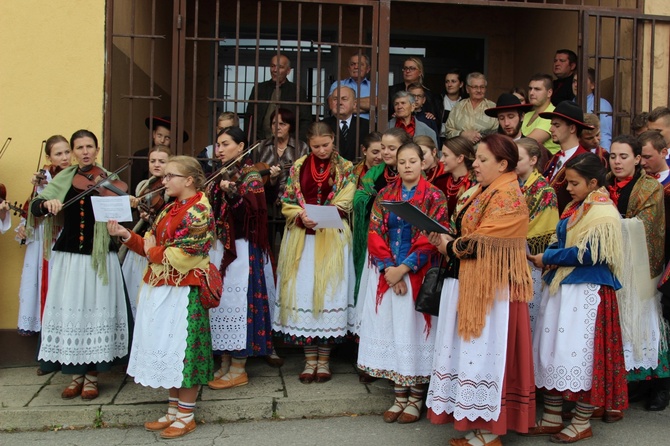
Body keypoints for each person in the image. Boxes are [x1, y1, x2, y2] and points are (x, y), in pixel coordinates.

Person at [426, 134, 535, 446]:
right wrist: (445, 239)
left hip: (494, 293)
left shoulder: (509, 196)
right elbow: (471, 232)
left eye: (482, 160)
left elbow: (484, 242)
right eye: (475, 158)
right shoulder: (487, 190)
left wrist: (451, 246)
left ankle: (489, 432)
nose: (474, 164)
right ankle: (477, 426)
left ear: (503, 164)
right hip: (476, 284)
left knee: (487, 356)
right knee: (472, 356)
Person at [107, 156, 214, 439]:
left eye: (170, 176)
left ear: (189, 180)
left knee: (184, 352)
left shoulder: (200, 211)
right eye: (164, 176)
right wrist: (126, 235)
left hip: (184, 292)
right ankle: (173, 411)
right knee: (168, 352)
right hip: (163, 287)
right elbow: (151, 244)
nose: (164, 181)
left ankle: (186, 414)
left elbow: (186, 255)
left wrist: (156, 251)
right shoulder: (170, 208)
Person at [528, 152, 627, 443]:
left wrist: (549, 256)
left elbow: (592, 253)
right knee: (553, 351)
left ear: (593, 182)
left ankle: (582, 420)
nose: (568, 188)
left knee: (583, 357)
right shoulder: (575, 207)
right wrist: (552, 251)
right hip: (562, 290)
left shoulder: (603, 212)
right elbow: (561, 238)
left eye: (574, 183)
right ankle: (552, 416)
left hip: (587, 292)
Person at [30, 129, 129, 400]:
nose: (85, 151)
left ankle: (92, 378)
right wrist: (47, 203)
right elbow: (36, 206)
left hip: (100, 257)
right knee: (72, 313)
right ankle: (75, 376)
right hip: (69, 256)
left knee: (96, 312)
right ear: (73, 152)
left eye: (89, 146)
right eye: (79, 147)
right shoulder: (63, 178)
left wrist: (122, 210)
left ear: (97, 150)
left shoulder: (111, 179)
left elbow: (122, 220)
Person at [357, 142, 447, 424]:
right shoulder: (385, 193)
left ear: (423, 164)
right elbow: (374, 231)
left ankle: (416, 399)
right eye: (402, 162)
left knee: (415, 331)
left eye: (413, 161)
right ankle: (398, 397)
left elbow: (433, 237)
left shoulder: (435, 195)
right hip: (387, 275)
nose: (407, 166)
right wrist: (388, 269)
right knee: (394, 331)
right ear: (395, 165)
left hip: (418, 274)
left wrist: (404, 268)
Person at [273, 122, 355, 384]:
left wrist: (326, 213)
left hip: (332, 239)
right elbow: (287, 200)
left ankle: (324, 360)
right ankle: (309, 361)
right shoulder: (298, 166)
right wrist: (300, 216)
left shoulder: (346, 167)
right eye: (316, 146)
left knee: (328, 293)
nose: (321, 150)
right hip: (302, 240)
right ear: (309, 143)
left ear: (333, 140)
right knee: (305, 295)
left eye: (326, 145)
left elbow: (347, 198)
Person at [207, 127, 275, 390]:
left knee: (240, 304)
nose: (220, 149)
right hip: (221, 247)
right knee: (223, 304)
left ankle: (238, 368)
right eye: (218, 144)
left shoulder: (251, 175)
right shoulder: (219, 173)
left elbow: (253, 214)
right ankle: (224, 364)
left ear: (241, 145)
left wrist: (233, 193)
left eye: (225, 144)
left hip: (243, 249)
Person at [607, 134, 668, 417]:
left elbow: (646, 225)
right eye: (613, 156)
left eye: (623, 156)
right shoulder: (604, 185)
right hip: (612, 266)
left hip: (642, 270)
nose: (617, 162)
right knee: (620, 326)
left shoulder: (649, 187)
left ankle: (658, 385)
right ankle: (630, 383)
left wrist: (606, 226)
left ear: (637, 159)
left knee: (647, 324)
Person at [16, 135, 71, 336]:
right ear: (49, 157)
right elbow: (29, 207)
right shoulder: (43, 178)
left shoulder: (75, 176)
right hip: (42, 237)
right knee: (41, 282)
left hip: (63, 235)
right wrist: (24, 226)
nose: (65, 157)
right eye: (58, 154)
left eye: (67, 152)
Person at [353, 128, 412, 305]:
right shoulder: (375, 172)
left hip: (403, 242)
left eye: (391, 148)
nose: (385, 152)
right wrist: (377, 202)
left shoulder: (412, 173)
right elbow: (359, 197)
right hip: (376, 240)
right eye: (383, 147)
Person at [122, 145, 172, 318]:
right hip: (142, 241)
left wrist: (151, 217)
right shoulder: (143, 186)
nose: (156, 165)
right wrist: (140, 211)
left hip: (159, 245)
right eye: (153, 161)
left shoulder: (171, 188)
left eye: (162, 161)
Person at [252, 107, 310, 253]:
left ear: (290, 126)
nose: (277, 127)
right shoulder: (261, 147)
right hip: (268, 204)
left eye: (282, 124)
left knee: (290, 250)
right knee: (267, 248)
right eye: (273, 123)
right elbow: (254, 175)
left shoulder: (301, 147)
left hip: (291, 205)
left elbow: (303, 176)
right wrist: (271, 180)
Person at [515, 137, 558, 335]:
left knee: (528, 315)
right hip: (507, 259)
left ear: (533, 160)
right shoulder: (509, 185)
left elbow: (545, 227)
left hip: (530, 260)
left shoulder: (545, 191)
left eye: (518, 158)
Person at [541, 101, 596, 213]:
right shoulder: (553, 159)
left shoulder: (586, 160)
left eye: (557, 125)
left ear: (572, 128)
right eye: (552, 124)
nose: (551, 129)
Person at [245, 53, 312, 142]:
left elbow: (305, 120)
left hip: (289, 143)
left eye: (280, 67)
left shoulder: (297, 91)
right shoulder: (259, 89)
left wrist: (296, 142)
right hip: (260, 142)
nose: (275, 70)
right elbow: (249, 117)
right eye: (272, 66)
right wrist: (251, 140)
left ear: (288, 71)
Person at [130, 116, 188, 193]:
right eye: (159, 135)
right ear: (154, 134)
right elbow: (135, 184)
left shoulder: (178, 158)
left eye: (167, 137)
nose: (162, 140)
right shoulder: (140, 155)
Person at [444, 72, 498, 143]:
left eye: (482, 87)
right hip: (461, 151)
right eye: (475, 87)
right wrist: (462, 134)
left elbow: (498, 132)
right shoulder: (458, 107)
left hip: (485, 151)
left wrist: (480, 136)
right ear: (467, 89)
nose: (479, 90)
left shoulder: (493, 108)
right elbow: (448, 131)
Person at [322, 85, 370, 161]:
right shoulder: (322, 125)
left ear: (354, 104)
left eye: (344, 99)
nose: (339, 103)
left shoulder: (367, 125)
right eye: (335, 99)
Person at [436, 136, 477, 217]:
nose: (441, 160)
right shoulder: (440, 181)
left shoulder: (474, 185)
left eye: (445, 155)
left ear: (460, 158)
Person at [573, 69, 613, 150]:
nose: (576, 84)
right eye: (574, 81)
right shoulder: (569, 105)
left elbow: (604, 135)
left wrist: (602, 158)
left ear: (593, 85)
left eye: (581, 81)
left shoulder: (601, 104)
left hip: (593, 154)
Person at [522, 74, 561, 154]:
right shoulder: (527, 115)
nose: (531, 93)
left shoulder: (553, 114)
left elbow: (528, 143)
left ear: (549, 93)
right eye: (530, 89)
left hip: (547, 164)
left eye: (537, 89)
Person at [329, 53, 373, 120]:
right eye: (353, 64)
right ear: (349, 69)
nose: (356, 67)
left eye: (360, 64)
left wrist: (346, 108)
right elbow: (332, 106)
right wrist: (368, 108)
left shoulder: (375, 87)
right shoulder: (337, 85)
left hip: (368, 128)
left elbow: (377, 104)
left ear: (368, 69)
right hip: (342, 126)